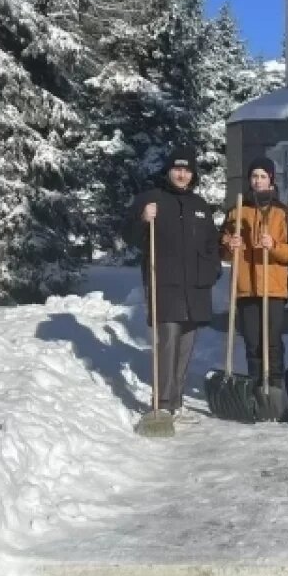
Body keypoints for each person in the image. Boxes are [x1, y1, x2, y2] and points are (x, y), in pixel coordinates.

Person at [122, 147, 220, 418]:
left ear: (193, 174)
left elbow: (212, 243)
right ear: (168, 171)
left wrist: (212, 272)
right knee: (168, 341)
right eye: (177, 169)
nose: (182, 174)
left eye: (187, 170)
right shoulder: (152, 199)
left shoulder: (200, 206)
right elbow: (128, 236)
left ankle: (176, 400)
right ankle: (163, 402)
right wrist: (143, 220)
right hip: (164, 282)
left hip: (196, 287)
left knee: (187, 344)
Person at [221, 157, 288, 385]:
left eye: (263, 176)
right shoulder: (237, 211)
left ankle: (274, 386)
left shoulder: (281, 213)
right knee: (252, 341)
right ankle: (256, 386)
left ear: (271, 180)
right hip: (245, 287)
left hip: (273, 288)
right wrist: (229, 245)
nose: (258, 181)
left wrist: (273, 246)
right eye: (254, 176)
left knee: (272, 341)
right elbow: (222, 249)